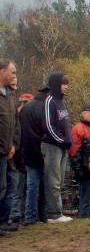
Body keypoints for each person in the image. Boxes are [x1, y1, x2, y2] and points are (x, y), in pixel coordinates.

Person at [41, 72, 73, 223]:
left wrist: (68, 141)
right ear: (56, 84)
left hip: (63, 147)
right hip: (52, 146)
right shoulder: (50, 101)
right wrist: (61, 140)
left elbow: (65, 125)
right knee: (53, 180)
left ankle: (58, 212)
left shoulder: (62, 102)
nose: (66, 86)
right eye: (63, 83)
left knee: (59, 181)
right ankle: (53, 214)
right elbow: (48, 125)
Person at [21, 87, 50, 225]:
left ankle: (30, 217)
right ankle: (41, 216)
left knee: (32, 186)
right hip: (43, 152)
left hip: (28, 153)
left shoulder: (26, 107)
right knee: (44, 186)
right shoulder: (46, 108)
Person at [5, 93, 34, 228]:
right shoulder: (15, 120)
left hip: (26, 162)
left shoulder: (25, 120)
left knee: (25, 191)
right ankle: (13, 217)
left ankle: (21, 216)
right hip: (16, 162)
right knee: (16, 191)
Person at [0, 59, 17, 237]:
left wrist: (12, 144)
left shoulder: (9, 96)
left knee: (4, 187)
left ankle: (2, 222)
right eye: (11, 72)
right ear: (1, 72)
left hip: (6, 151)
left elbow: (13, 123)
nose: (14, 76)